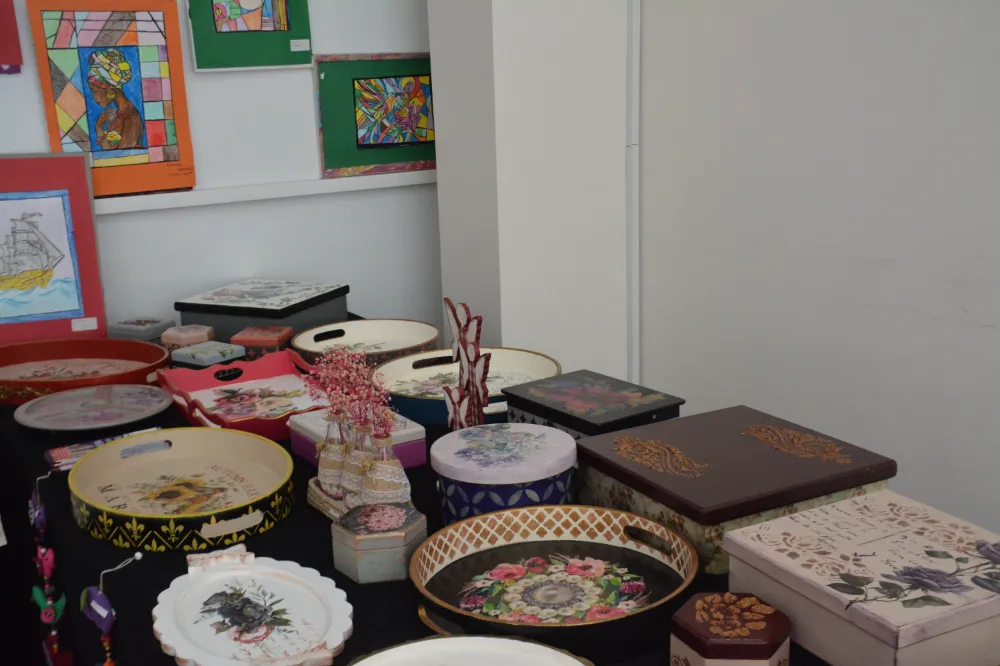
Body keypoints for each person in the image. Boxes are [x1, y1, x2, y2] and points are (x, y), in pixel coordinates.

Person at [86, 48, 143, 150]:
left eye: (94, 91)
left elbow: (122, 156)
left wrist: (99, 127)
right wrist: (99, 127)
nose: (94, 97)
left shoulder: (131, 118)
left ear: (110, 89)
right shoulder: (120, 115)